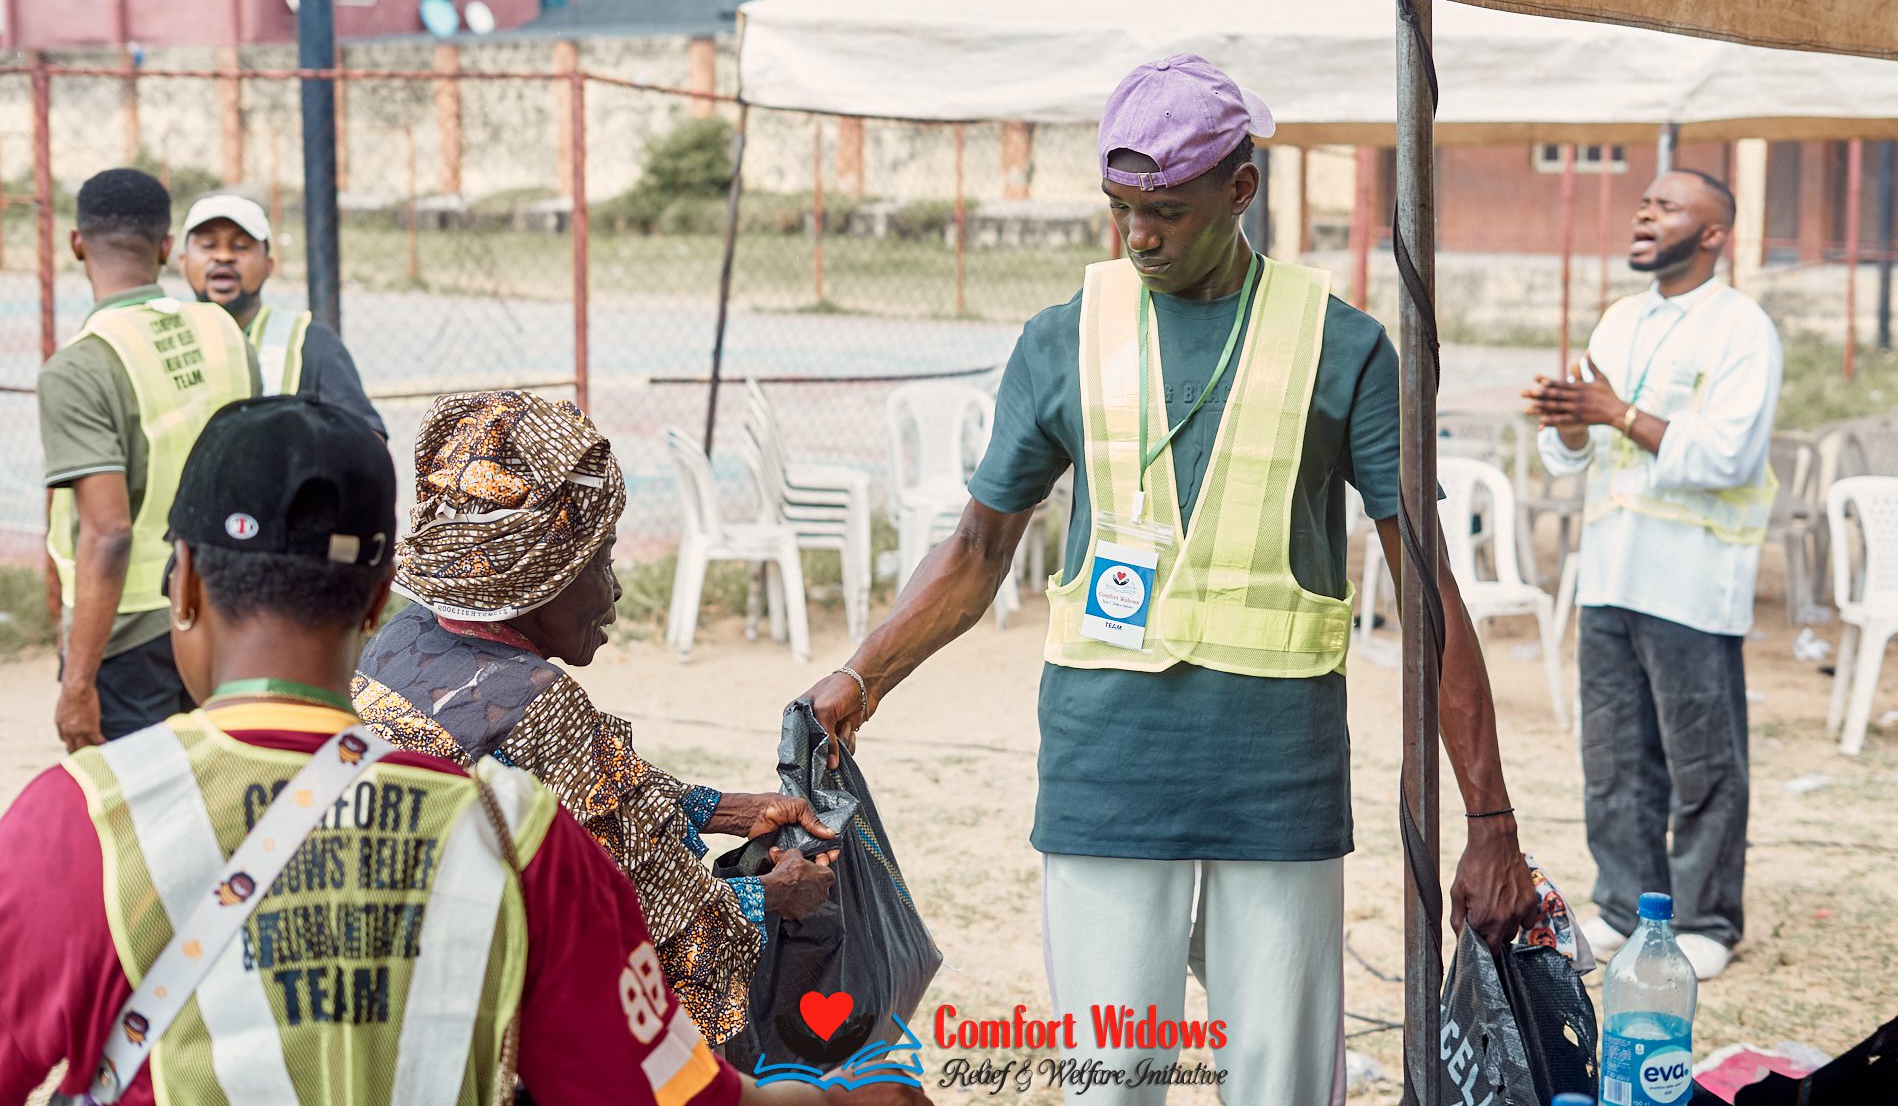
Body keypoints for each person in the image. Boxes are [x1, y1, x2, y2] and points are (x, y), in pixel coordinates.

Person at [800, 55, 1535, 1105]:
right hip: (1108, 782)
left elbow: (1429, 597)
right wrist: (860, 678)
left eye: (1168, 212)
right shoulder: (1061, 339)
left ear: (1243, 190)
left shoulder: (1347, 347)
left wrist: (1490, 820)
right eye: (1121, 210)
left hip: (1279, 791)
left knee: (1279, 1084)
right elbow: (975, 550)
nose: (1139, 236)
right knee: (1112, 1083)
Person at [0, 395, 927, 1106]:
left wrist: (718, 812)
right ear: (373, 604)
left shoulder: (68, 824)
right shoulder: (516, 842)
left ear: (187, 585)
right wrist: (858, 1088)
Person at [353, 389, 838, 1050]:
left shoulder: (403, 640)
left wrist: (725, 809)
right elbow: (647, 915)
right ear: (543, 574)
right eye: (600, 560)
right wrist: (777, 896)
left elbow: (586, 793)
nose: (613, 590)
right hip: (501, 1027)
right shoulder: (534, 698)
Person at [1524, 168, 1783, 983]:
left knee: (1702, 759)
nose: (1645, 212)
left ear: (1712, 234)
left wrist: (1613, 413)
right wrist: (1567, 422)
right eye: (1645, 202)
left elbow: (1726, 455)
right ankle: (1624, 908)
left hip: (1692, 580)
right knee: (1614, 756)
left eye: (1668, 206)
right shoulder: (1619, 319)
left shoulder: (1744, 329)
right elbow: (1571, 459)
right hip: (1609, 572)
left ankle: (1706, 919)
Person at [38, 168, 255, 752]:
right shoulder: (224, 333)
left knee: (137, 823)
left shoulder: (81, 367)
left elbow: (108, 535)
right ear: (166, 248)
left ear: (76, 242)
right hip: (223, 616)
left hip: (129, 636)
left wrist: (78, 683)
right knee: (218, 797)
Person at [178, 192, 386, 436]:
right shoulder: (165, 340)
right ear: (183, 263)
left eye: (241, 246)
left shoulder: (310, 343)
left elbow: (369, 442)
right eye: (208, 245)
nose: (224, 256)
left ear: (269, 265)